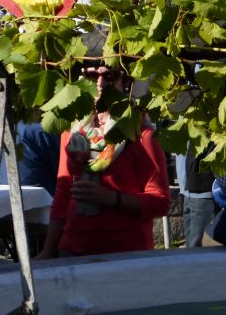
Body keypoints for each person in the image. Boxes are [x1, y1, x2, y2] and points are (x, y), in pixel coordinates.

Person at [35, 65, 171, 259]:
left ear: (125, 82)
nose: (99, 83)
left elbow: (161, 202)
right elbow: (64, 191)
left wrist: (110, 198)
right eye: (91, 75)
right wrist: (48, 251)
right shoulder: (73, 131)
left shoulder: (141, 134)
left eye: (109, 76)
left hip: (125, 255)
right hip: (73, 249)